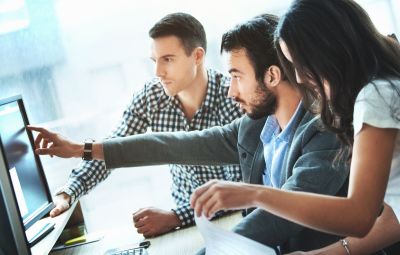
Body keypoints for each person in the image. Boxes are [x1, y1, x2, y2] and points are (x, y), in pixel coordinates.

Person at [28, 14, 351, 252]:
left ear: (271, 75)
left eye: (237, 76)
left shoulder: (325, 134)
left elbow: (279, 216)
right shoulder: (257, 125)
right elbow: (172, 145)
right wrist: (80, 149)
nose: (231, 90)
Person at [190, 0, 400, 253]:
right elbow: (394, 214)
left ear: (328, 50)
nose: (299, 77)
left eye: (299, 63)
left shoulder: (376, 97)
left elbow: (358, 216)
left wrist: (254, 194)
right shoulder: (384, 88)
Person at [50, 12, 243, 237]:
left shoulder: (234, 97)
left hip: (233, 222)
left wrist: (176, 216)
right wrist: (69, 192)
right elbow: (115, 148)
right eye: (155, 60)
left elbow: (239, 189)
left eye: (168, 59)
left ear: (197, 56)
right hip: (186, 229)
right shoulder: (152, 96)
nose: (158, 72)